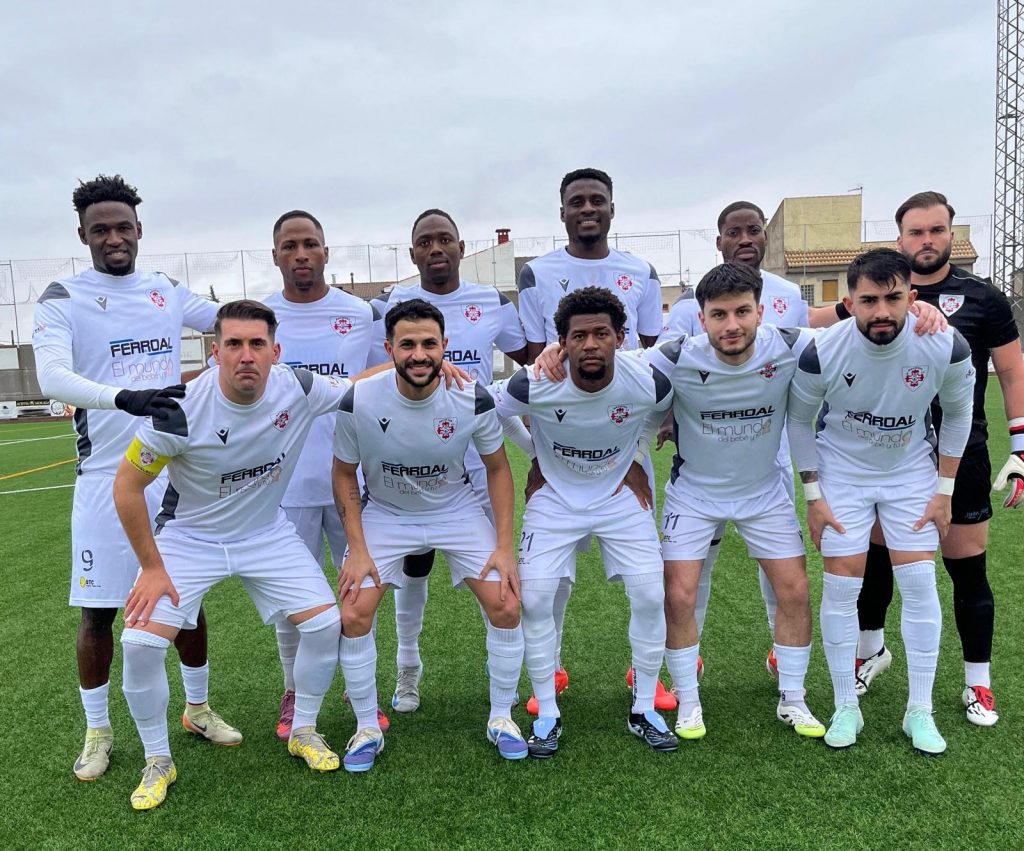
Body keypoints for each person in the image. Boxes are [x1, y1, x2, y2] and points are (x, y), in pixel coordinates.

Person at [31, 174, 238, 783]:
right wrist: (125, 398)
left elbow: (234, 320)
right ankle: (98, 731)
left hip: (172, 473)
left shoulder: (164, 290)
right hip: (104, 477)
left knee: (185, 601)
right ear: (83, 236)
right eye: (101, 230)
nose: (114, 238)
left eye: (123, 227)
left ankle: (196, 709)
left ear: (140, 230)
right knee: (99, 612)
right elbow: (52, 378)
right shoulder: (63, 296)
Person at [112, 300, 357, 809]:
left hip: (266, 533)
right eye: (234, 344)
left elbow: (363, 386)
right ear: (215, 352)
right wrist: (153, 567)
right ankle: (157, 759)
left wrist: (422, 366)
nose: (247, 355)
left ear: (275, 352)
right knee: (139, 644)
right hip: (189, 539)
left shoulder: (299, 387)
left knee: (323, 624)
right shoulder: (178, 410)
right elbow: (127, 487)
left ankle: (304, 730)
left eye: (257, 344)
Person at [788, 248, 974, 754]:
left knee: (919, 583)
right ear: (850, 303)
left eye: (893, 298)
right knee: (841, 587)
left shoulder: (945, 345)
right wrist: (813, 496)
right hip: (842, 473)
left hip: (909, 471)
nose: (882, 312)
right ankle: (845, 706)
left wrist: (944, 492)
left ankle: (920, 711)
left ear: (912, 298)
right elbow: (798, 422)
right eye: (869, 301)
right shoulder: (823, 351)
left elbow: (959, 415)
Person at [851, 193, 1024, 727]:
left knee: (966, 569)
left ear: (952, 234)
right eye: (916, 232)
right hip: (890, 452)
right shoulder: (882, 291)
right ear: (900, 238)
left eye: (937, 230)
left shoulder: (983, 298)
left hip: (962, 452)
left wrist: (1021, 447)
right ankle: (870, 652)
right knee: (876, 558)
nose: (927, 240)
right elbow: (815, 319)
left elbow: (1011, 372)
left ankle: (978, 682)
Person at [332, 298, 525, 772]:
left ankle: (502, 717)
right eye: (407, 345)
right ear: (389, 349)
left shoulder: (471, 396)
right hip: (387, 513)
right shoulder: (359, 399)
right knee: (354, 611)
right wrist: (357, 550)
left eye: (428, 344)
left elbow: (498, 469)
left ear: (445, 346)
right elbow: (343, 473)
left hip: (455, 510)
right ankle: (367, 726)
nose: (419, 354)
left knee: (506, 603)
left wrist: (505, 547)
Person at [644, 263, 825, 741]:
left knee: (795, 591)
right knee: (678, 595)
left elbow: (856, 336)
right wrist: (555, 353)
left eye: (743, 312)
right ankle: (688, 701)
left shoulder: (789, 345)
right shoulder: (675, 356)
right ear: (701, 318)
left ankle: (793, 698)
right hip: (694, 494)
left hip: (763, 492)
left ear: (760, 312)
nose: (732, 325)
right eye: (719, 314)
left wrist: (922, 317)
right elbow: (613, 366)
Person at [493, 287, 677, 756]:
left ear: (620, 337)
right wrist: (535, 453)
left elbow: (659, 413)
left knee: (650, 593)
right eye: (579, 336)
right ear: (563, 342)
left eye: (601, 334)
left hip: (618, 498)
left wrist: (636, 458)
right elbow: (490, 411)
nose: (591, 344)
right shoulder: (535, 381)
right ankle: (547, 714)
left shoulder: (648, 380)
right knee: (536, 599)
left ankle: (643, 709)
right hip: (554, 499)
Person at [516, 167, 668, 713]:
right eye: (576, 201)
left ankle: (647, 682)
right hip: (560, 438)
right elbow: (532, 363)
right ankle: (549, 673)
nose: (587, 209)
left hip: (622, 443)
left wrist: (639, 448)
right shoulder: (536, 273)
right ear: (562, 212)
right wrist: (537, 453)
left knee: (649, 583)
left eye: (596, 200)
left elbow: (654, 362)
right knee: (546, 583)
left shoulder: (641, 271)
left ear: (611, 208)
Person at [384, 208, 529, 714]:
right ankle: (408, 666)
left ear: (462, 248)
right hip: (413, 463)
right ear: (413, 254)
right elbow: (377, 372)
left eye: (445, 239)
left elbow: (530, 362)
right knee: (414, 567)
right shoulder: (391, 305)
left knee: (497, 570)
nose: (436, 248)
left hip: (479, 456)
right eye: (425, 242)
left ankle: (503, 674)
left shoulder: (491, 302)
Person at [657, 201, 809, 679]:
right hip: (703, 461)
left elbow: (828, 343)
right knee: (689, 575)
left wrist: (915, 315)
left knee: (783, 574)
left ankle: (784, 660)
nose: (745, 239)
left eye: (754, 230)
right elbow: (658, 367)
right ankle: (683, 662)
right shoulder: (689, 306)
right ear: (719, 239)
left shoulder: (789, 296)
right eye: (734, 232)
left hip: (769, 459)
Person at [261, 209, 388, 740]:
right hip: (284, 483)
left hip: (349, 478)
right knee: (293, 597)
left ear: (326, 252)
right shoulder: (261, 315)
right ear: (275, 256)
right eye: (289, 246)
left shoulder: (359, 313)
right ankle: (293, 690)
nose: (301, 254)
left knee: (361, 588)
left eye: (310, 244)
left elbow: (384, 376)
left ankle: (362, 691)